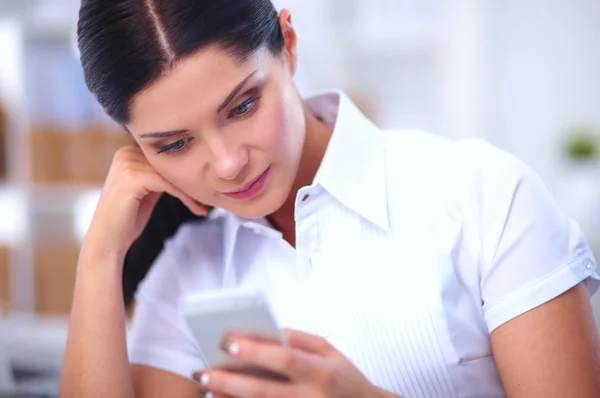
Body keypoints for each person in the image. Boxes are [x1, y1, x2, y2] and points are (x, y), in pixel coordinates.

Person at [60, 0, 600, 397]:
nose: (227, 163)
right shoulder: (188, 268)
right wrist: (100, 256)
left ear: (288, 47)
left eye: (243, 105)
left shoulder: (485, 196)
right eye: (175, 144)